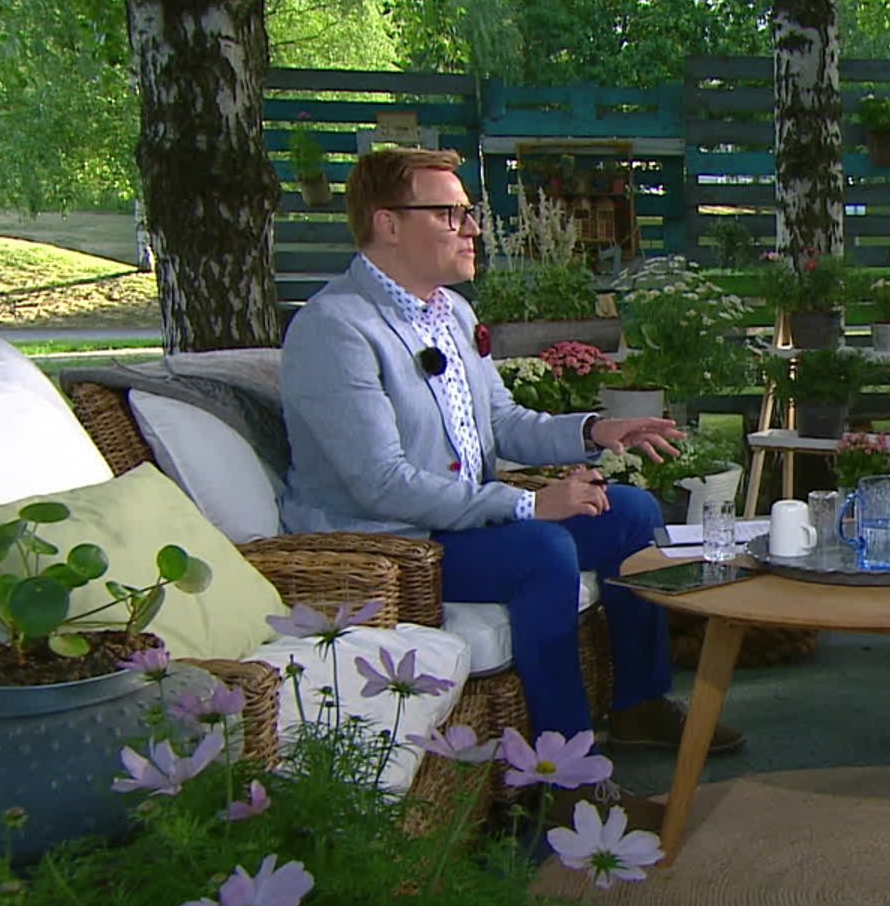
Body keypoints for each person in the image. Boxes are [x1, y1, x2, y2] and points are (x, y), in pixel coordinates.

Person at [278, 147, 742, 829]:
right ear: (388, 224)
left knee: (629, 512)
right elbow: (380, 483)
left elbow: (503, 422)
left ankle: (639, 703)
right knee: (542, 553)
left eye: (468, 212)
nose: (472, 228)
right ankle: (567, 778)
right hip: (393, 540)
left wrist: (595, 430)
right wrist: (528, 504)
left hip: (461, 517)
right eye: (449, 213)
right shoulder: (335, 328)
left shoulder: (451, 314)